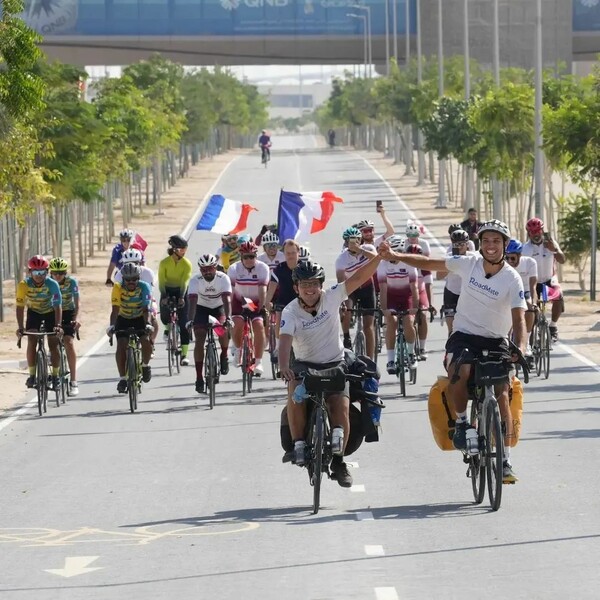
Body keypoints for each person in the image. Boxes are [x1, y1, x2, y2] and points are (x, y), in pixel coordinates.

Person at [385, 220, 527, 484]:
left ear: (504, 245)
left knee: (503, 395)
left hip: (496, 340)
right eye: (486, 241)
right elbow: (431, 263)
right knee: (461, 369)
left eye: (496, 241)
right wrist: (395, 256)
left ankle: (505, 460)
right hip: (463, 336)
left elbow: (519, 319)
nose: (491, 246)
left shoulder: (512, 278)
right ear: (480, 244)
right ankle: (462, 422)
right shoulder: (469, 262)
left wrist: (521, 347)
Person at [278, 244, 390, 488]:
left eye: (314, 283)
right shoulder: (290, 311)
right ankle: (298, 444)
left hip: (335, 363)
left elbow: (360, 276)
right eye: (304, 285)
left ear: (321, 284)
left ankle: (339, 461)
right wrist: (284, 365)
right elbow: (285, 340)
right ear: (296, 288)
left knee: (341, 405)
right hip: (304, 365)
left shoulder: (332, 296)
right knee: (294, 393)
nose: (309, 289)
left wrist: (379, 257)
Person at [187, 254, 232, 394]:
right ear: (200, 270)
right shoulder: (195, 280)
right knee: (199, 339)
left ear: (215, 267)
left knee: (222, 330)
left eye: (210, 269)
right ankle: (199, 377)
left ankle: (224, 355)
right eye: (204, 269)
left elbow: (227, 300)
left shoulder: (223, 278)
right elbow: (192, 301)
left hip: (219, 308)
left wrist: (228, 318)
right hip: (201, 309)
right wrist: (190, 320)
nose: (207, 272)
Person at [16, 255, 63, 390]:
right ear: (30, 272)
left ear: (47, 272)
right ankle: (32, 375)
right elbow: (20, 307)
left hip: (50, 312)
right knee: (32, 340)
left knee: (53, 343)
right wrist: (20, 327)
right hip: (34, 312)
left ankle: (55, 376)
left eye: (42, 272)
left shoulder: (52, 284)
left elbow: (57, 306)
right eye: (36, 272)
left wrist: (58, 325)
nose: (39, 276)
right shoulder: (23, 285)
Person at [107, 263, 154, 393]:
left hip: (140, 317)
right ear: (123, 279)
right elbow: (115, 309)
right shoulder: (117, 288)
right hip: (123, 318)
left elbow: (146, 309)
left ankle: (145, 365)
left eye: (134, 279)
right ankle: (122, 378)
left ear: (139, 278)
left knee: (145, 340)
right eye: (128, 280)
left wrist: (148, 324)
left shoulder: (144, 287)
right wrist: (112, 326)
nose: (131, 282)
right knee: (121, 344)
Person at [376, 236, 420, 374]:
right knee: (391, 322)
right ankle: (390, 360)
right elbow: (383, 289)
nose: (388, 256)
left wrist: (416, 307)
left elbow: (414, 288)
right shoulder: (383, 264)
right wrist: (384, 309)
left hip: (407, 297)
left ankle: (411, 354)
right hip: (391, 298)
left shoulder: (409, 263)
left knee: (408, 321)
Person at [227, 240, 270, 376]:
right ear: (241, 258)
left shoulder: (263, 268)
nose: (249, 259)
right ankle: (239, 349)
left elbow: (263, 290)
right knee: (237, 323)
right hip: (239, 300)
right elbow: (231, 292)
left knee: (258, 325)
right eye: (246, 257)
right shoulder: (234, 268)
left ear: (256, 256)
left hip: (254, 301)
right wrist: (228, 310)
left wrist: (261, 307)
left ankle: (258, 362)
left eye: (252, 256)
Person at [335, 226, 377, 359]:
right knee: (347, 309)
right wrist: (341, 301)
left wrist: (359, 250)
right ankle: (346, 336)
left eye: (357, 240)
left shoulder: (369, 249)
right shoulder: (341, 258)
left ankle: (370, 359)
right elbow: (341, 282)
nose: (353, 243)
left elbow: (377, 259)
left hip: (367, 287)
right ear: (346, 242)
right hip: (351, 288)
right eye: (350, 241)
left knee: (368, 327)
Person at [522, 217, 565, 342]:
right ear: (528, 233)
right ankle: (531, 338)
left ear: (542, 231)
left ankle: (553, 326)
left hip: (548, 282)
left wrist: (555, 250)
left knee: (558, 297)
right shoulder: (525, 249)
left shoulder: (550, 243)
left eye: (538, 231)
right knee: (532, 310)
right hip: (533, 284)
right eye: (533, 232)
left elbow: (562, 260)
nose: (536, 234)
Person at [158, 235, 193, 365]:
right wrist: (164, 296)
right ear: (175, 249)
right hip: (167, 289)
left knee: (184, 324)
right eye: (182, 249)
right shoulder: (164, 263)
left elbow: (185, 281)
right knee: (164, 316)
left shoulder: (186, 264)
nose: (184, 252)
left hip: (181, 290)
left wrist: (182, 298)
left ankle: (184, 355)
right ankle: (167, 328)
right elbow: (161, 281)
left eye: (185, 249)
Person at [115, 249, 159, 349]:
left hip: (146, 299)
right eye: (128, 263)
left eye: (135, 263)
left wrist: (147, 309)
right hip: (127, 301)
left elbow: (149, 294)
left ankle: (151, 343)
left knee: (153, 317)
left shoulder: (148, 272)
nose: (131, 266)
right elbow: (117, 295)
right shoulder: (119, 275)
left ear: (140, 262)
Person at [49, 257, 80, 396]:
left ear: (65, 272)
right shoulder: (47, 283)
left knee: (68, 341)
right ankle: (53, 369)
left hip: (68, 312)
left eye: (61, 273)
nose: (57, 276)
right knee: (52, 341)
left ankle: (74, 381)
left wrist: (76, 319)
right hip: (51, 312)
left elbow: (77, 302)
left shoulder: (72, 282)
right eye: (55, 273)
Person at [266, 240, 301, 364]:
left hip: (302, 302)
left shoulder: (304, 267)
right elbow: (272, 286)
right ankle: (278, 347)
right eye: (288, 253)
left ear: (298, 253)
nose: (290, 256)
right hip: (284, 302)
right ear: (284, 254)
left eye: (293, 253)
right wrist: (267, 302)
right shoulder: (279, 269)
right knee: (279, 318)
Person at [437, 229, 476, 335]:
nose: (459, 247)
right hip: (451, 294)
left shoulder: (473, 257)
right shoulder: (448, 257)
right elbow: (438, 276)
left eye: (462, 244)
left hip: (469, 295)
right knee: (452, 330)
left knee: (471, 329)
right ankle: (450, 350)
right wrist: (452, 264)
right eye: (456, 244)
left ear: (467, 244)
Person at [405, 222, 434, 358]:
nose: (412, 237)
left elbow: (429, 285)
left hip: (420, 288)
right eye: (410, 235)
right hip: (407, 290)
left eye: (415, 235)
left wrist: (431, 304)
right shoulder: (403, 248)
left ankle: (422, 347)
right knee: (405, 316)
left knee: (422, 315)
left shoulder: (424, 258)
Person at [505, 239, 538, 359]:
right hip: (508, 292)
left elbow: (533, 286)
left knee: (529, 307)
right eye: (507, 258)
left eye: (512, 258)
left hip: (525, 292)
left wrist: (534, 303)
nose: (509, 261)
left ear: (520, 255)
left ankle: (527, 342)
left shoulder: (530, 262)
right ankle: (506, 342)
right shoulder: (503, 265)